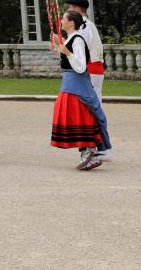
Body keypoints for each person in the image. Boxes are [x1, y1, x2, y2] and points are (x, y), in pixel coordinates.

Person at [51, 10, 111, 171]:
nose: (61, 21)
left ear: (71, 22)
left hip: (76, 83)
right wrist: (58, 47)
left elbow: (80, 66)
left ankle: (90, 151)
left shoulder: (77, 39)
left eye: (63, 18)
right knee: (72, 114)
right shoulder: (71, 39)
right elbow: (69, 61)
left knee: (79, 114)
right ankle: (87, 151)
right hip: (70, 82)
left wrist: (66, 51)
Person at [67, 0, 105, 97]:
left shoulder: (83, 26)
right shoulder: (86, 24)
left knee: (90, 103)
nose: (68, 12)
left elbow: (79, 49)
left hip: (89, 68)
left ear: (77, 10)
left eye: (70, 8)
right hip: (92, 68)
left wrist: (63, 49)